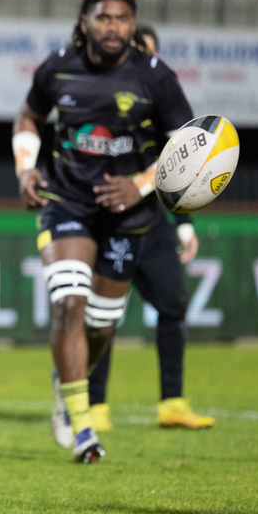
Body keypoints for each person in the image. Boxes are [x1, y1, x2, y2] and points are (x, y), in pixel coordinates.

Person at [12, 0, 193, 464]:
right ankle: (82, 425)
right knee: (68, 302)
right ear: (85, 21)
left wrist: (140, 185)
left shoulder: (155, 77)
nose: (113, 27)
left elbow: (187, 145)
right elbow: (28, 116)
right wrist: (26, 168)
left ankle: (64, 382)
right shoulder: (57, 67)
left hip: (128, 217)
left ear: (133, 24)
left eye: (122, 18)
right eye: (103, 18)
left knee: (100, 326)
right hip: (66, 202)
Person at [81, 24, 214, 434]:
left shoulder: (163, 108)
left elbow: (182, 173)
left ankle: (172, 402)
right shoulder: (105, 106)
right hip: (109, 222)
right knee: (103, 315)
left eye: (149, 53)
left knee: (173, 305)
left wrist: (185, 224)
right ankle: (94, 406)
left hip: (153, 224)